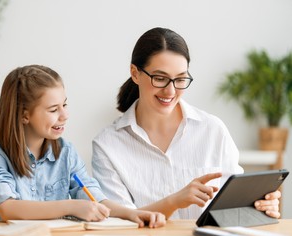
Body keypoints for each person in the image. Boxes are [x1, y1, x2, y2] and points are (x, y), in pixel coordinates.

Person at [92, 27, 281, 220]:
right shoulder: (107, 145)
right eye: (160, 78)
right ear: (135, 73)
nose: (170, 91)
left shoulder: (213, 130)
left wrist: (258, 206)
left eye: (180, 79)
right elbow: (121, 221)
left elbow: (233, 210)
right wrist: (174, 201)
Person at [0, 64, 165, 228]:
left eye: (64, 105)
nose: (65, 115)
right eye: (53, 110)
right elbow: (7, 208)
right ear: (24, 115)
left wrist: (132, 214)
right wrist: (71, 206)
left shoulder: (65, 151)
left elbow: (93, 196)